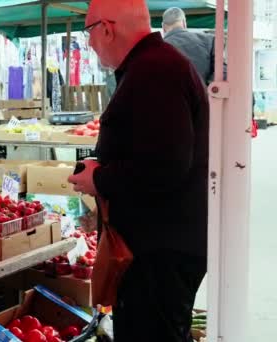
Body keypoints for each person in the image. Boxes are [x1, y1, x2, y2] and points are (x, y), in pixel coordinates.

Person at [68, 0, 208, 341]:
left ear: (106, 28)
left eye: (88, 31)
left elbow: (164, 167)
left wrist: (98, 179)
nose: (88, 42)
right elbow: (156, 152)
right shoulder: (155, 66)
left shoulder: (154, 72)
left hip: (159, 252)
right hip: (163, 246)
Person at [162, 7, 222, 85]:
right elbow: (222, 71)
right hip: (203, 94)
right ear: (184, 23)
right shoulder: (209, 40)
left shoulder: (156, 47)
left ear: (163, 27)